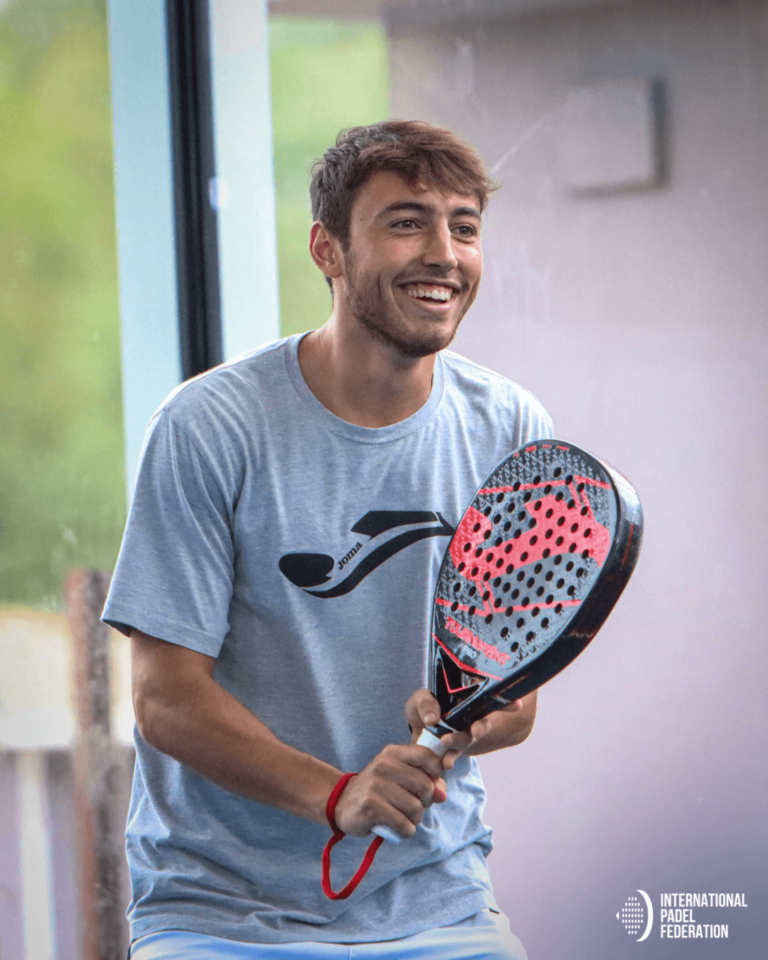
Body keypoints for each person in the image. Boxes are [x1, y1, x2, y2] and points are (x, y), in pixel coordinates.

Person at [102, 120, 553, 959]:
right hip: (216, 914)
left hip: (437, 900)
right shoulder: (208, 426)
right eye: (407, 222)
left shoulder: (511, 428)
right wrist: (337, 794)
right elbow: (165, 698)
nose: (444, 254)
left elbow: (515, 699)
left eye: (464, 227)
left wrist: (463, 722)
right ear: (328, 250)